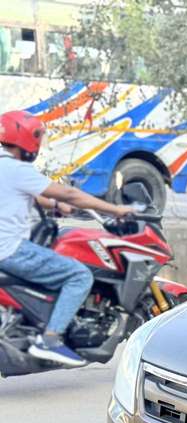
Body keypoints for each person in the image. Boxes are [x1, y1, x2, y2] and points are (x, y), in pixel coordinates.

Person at [0, 110, 133, 367]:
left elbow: (29, 194)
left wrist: (55, 205)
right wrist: (116, 210)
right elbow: (70, 194)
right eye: (37, 137)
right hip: (11, 250)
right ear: (27, 139)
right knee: (79, 275)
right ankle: (50, 339)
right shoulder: (16, 169)